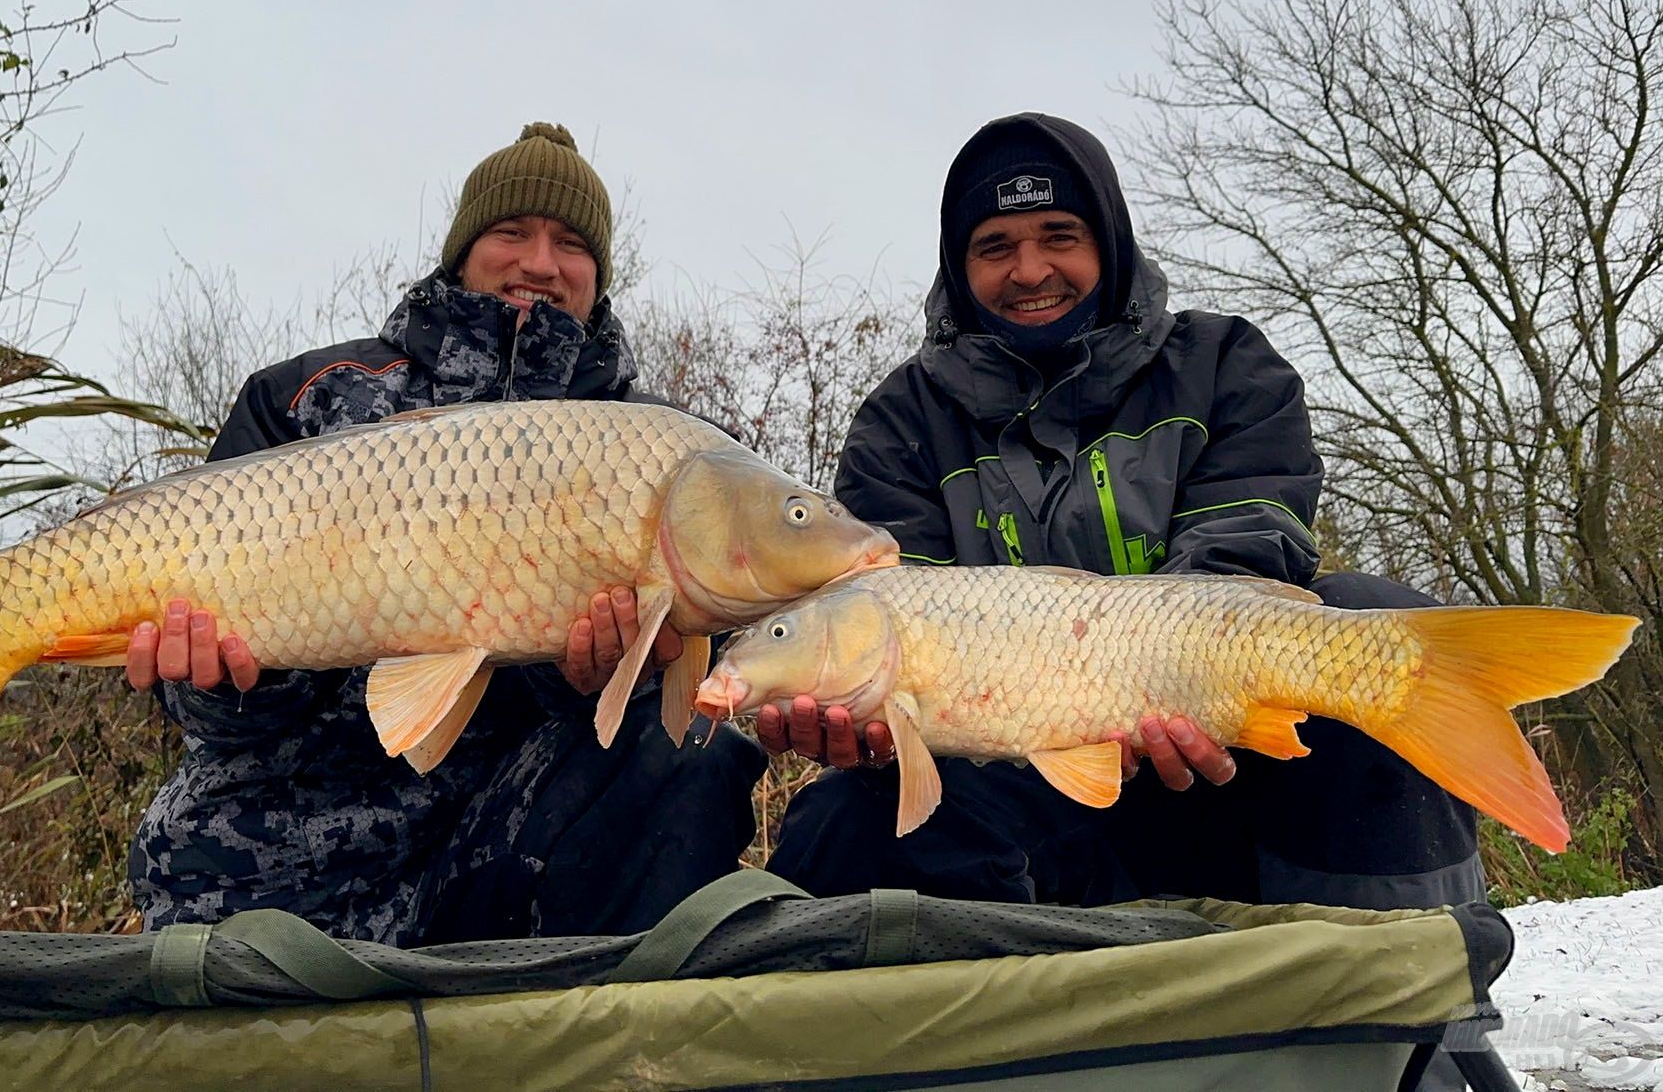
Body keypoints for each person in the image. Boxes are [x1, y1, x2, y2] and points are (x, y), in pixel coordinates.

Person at [764, 111, 1485, 917]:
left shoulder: (1225, 365)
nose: (1030, 269)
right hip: (1009, 794)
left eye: (1058, 234)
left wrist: (1171, 687)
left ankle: (1418, 1012)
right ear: (958, 267)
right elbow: (896, 618)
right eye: (994, 246)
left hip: (1225, 768)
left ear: (1109, 241)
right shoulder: (901, 422)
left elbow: (1246, 549)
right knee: (836, 824)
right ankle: (985, 1035)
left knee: (1367, 623)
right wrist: (863, 732)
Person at [125, 123, 765, 944]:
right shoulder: (307, 401)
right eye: (512, 232)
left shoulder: (659, 446)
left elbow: (650, 713)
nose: (540, 261)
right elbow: (209, 718)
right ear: (462, 250)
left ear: (598, 275)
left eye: (571, 243)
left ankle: (579, 1038)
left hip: (504, 863)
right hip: (273, 870)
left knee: (700, 751)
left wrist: (596, 678)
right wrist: (223, 679)